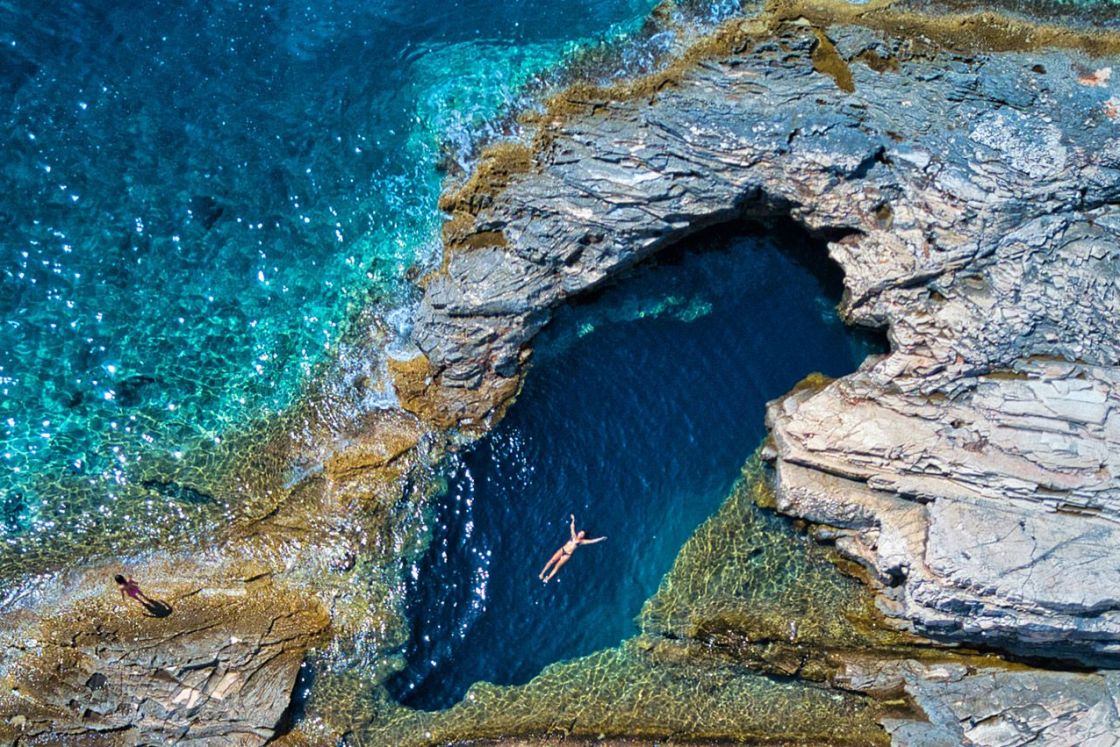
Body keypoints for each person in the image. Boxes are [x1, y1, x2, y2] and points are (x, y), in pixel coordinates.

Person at [539, 513, 606, 584]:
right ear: (578, 533)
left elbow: (592, 541)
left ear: (583, 536)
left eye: (582, 534)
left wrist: (601, 538)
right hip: (562, 550)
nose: (580, 534)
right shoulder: (573, 535)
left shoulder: (582, 542)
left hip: (567, 555)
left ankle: (548, 578)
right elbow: (572, 527)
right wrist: (573, 519)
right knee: (551, 561)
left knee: (557, 567)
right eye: (580, 532)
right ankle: (542, 573)